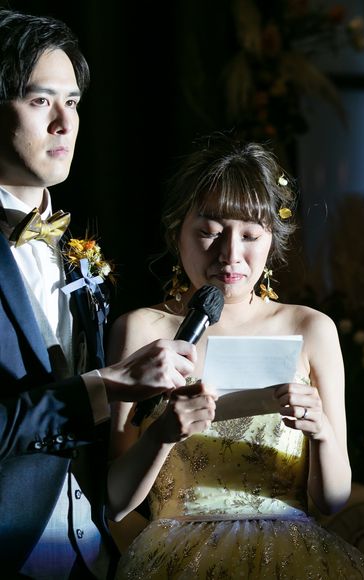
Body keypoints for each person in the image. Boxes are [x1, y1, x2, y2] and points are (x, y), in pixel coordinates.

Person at [106, 133, 364, 578]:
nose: (230, 255)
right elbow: (115, 502)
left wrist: (322, 432)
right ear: (177, 232)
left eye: (250, 235)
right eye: (209, 232)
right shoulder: (142, 329)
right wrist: (162, 433)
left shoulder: (311, 329)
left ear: (272, 239)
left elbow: (332, 500)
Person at [0, 9, 198, 578]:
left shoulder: (76, 252)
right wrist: (104, 387)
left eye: (73, 101)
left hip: (91, 551)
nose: (65, 122)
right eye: (40, 101)